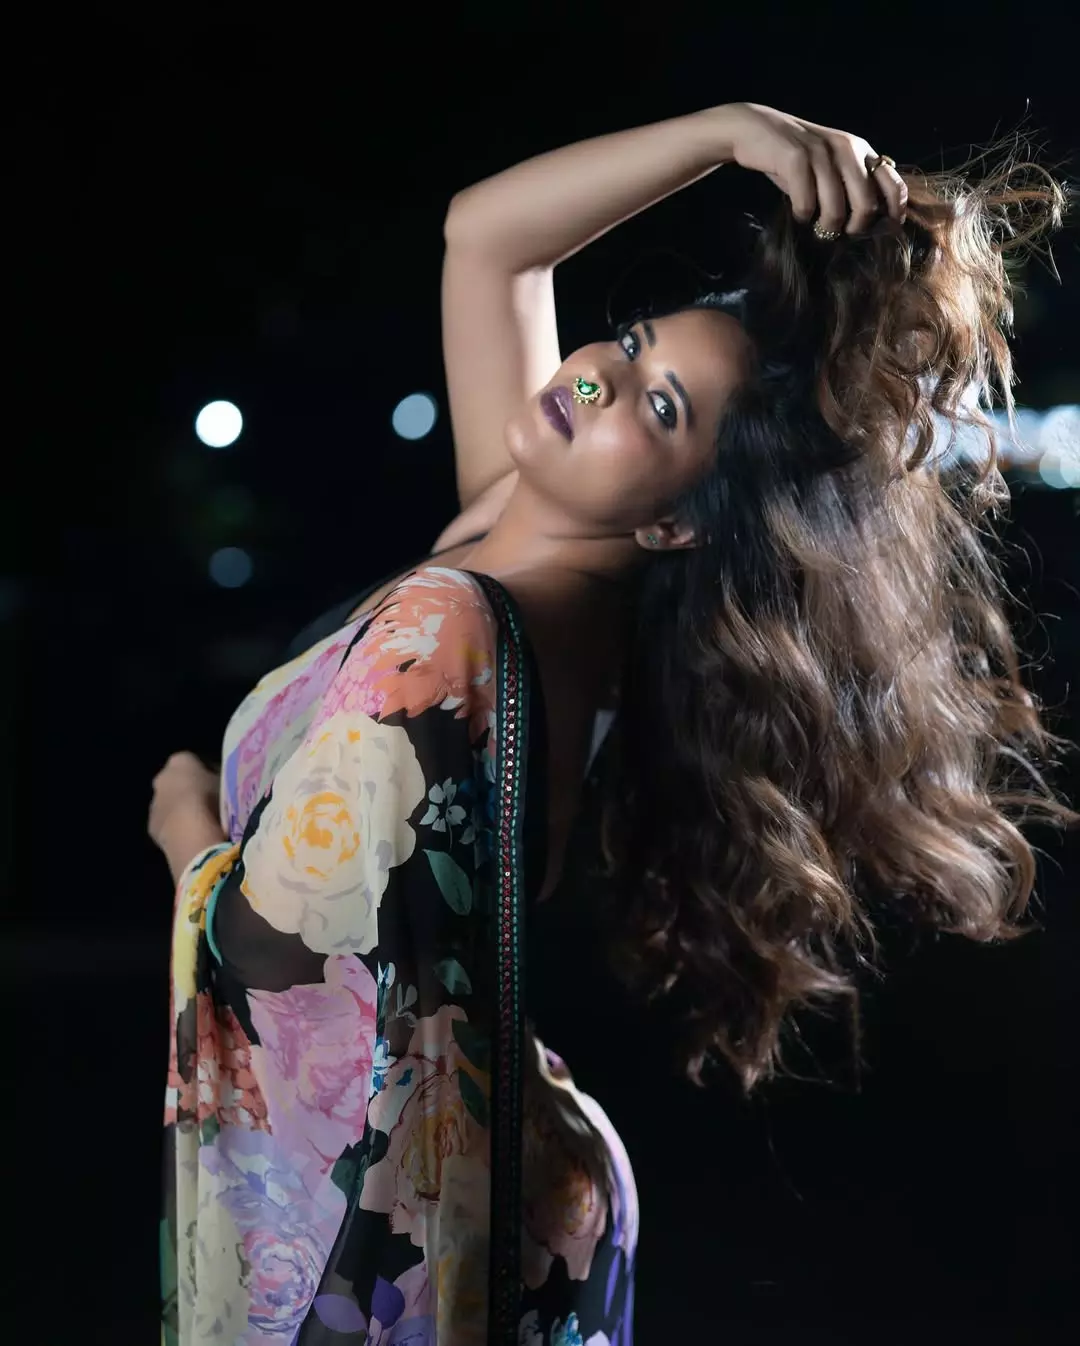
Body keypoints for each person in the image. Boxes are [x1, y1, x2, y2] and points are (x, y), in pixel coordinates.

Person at [150, 102, 1070, 1345]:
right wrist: (729, 132)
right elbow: (489, 240)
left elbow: (279, 951)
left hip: (417, 1233)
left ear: (675, 523)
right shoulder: (508, 531)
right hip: (492, 1181)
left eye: (661, 404)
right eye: (631, 342)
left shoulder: (459, 629)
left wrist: (187, 835)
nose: (595, 375)